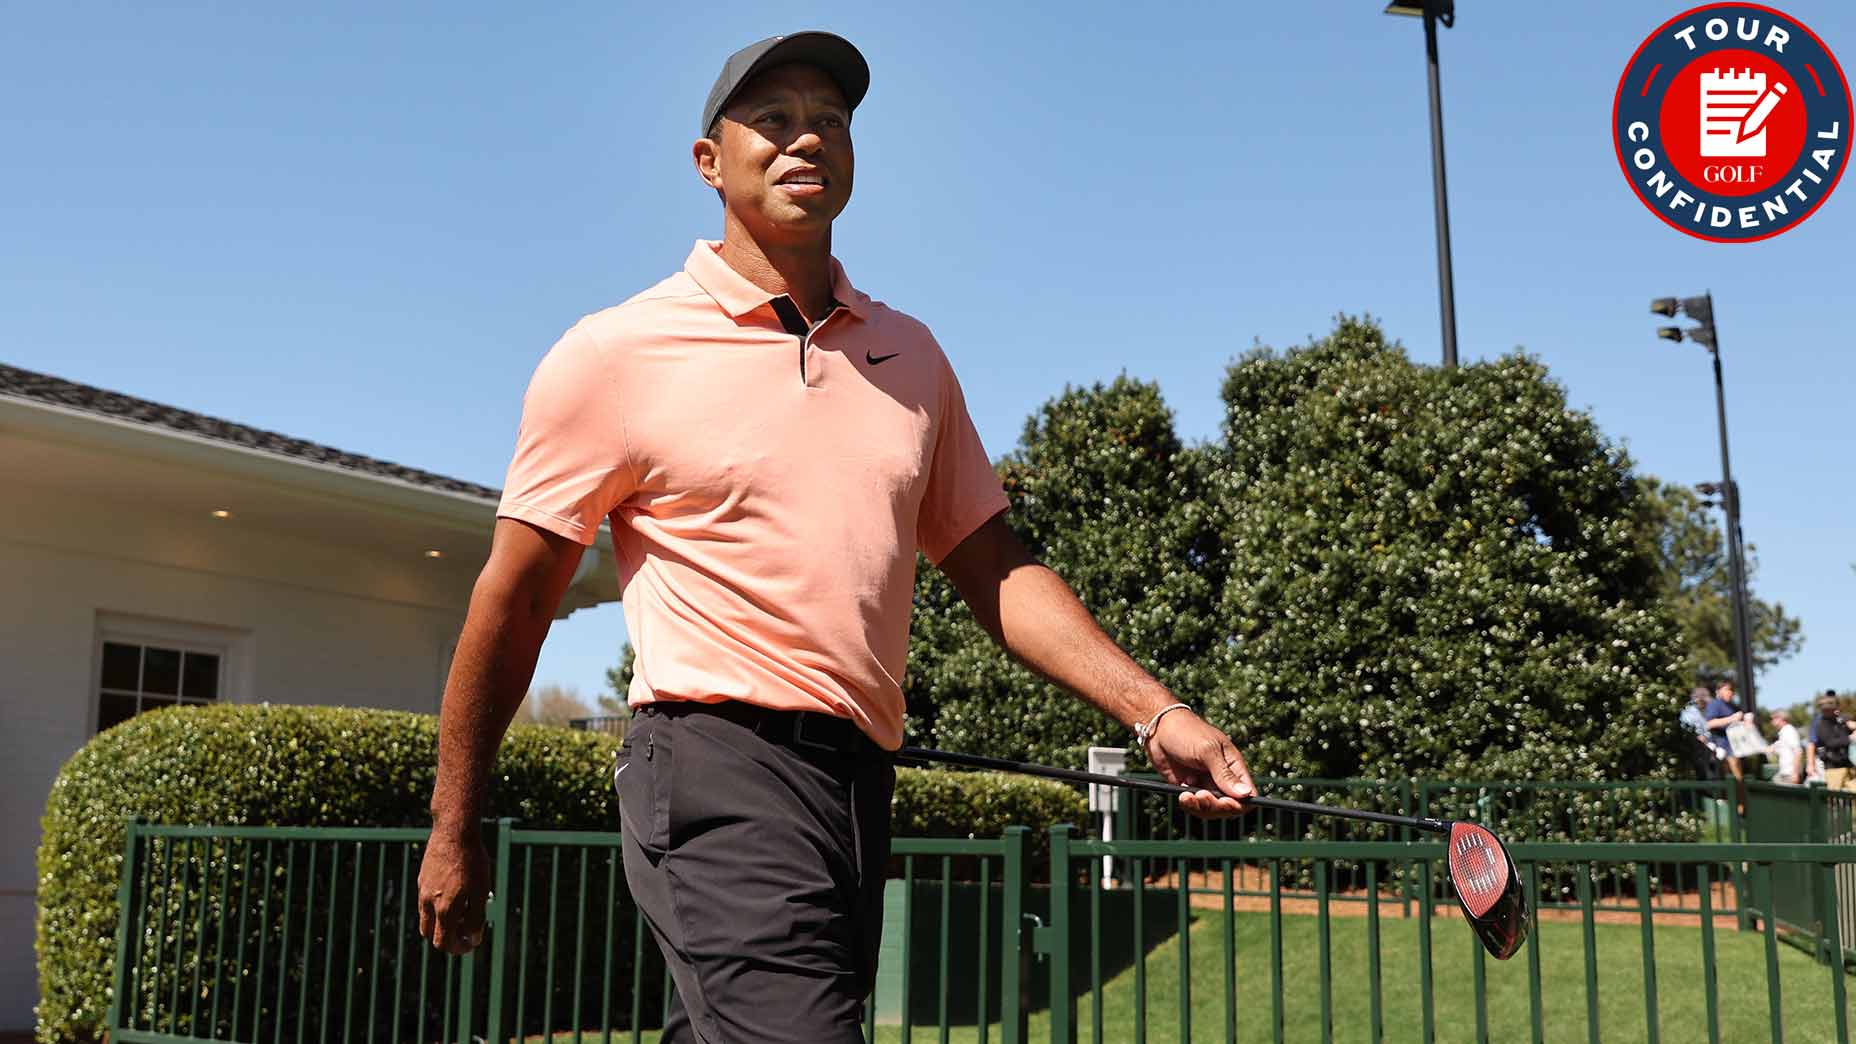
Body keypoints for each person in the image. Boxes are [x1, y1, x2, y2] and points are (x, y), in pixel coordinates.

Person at [415, 30, 1257, 1042]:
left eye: (830, 120)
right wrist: (453, 825)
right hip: (712, 768)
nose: (805, 139)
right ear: (708, 163)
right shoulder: (613, 354)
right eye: (771, 120)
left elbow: (993, 565)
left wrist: (1155, 712)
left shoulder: (910, 357)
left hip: (855, 782)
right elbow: (512, 600)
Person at [1806, 692, 1854, 792]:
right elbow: (1830, 742)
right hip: (1833, 767)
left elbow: (1848, 727)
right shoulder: (1821, 724)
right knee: (1834, 799)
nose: (1828, 710)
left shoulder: (1839, 721)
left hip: (1847, 765)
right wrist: (1851, 738)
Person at [1680, 686, 1722, 780]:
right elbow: (1688, 729)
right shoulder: (1689, 711)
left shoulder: (1705, 710)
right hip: (1694, 747)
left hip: (1709, 747)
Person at [1769, 709, 1803, 785]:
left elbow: (1798, 752)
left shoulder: (1789, 731)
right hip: (1784, 773)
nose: (1771, 721)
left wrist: (1795, 773)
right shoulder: (1782, 732)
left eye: (1773, 718)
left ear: (1781, 718)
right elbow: (1772, 749)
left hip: (1790, 774)